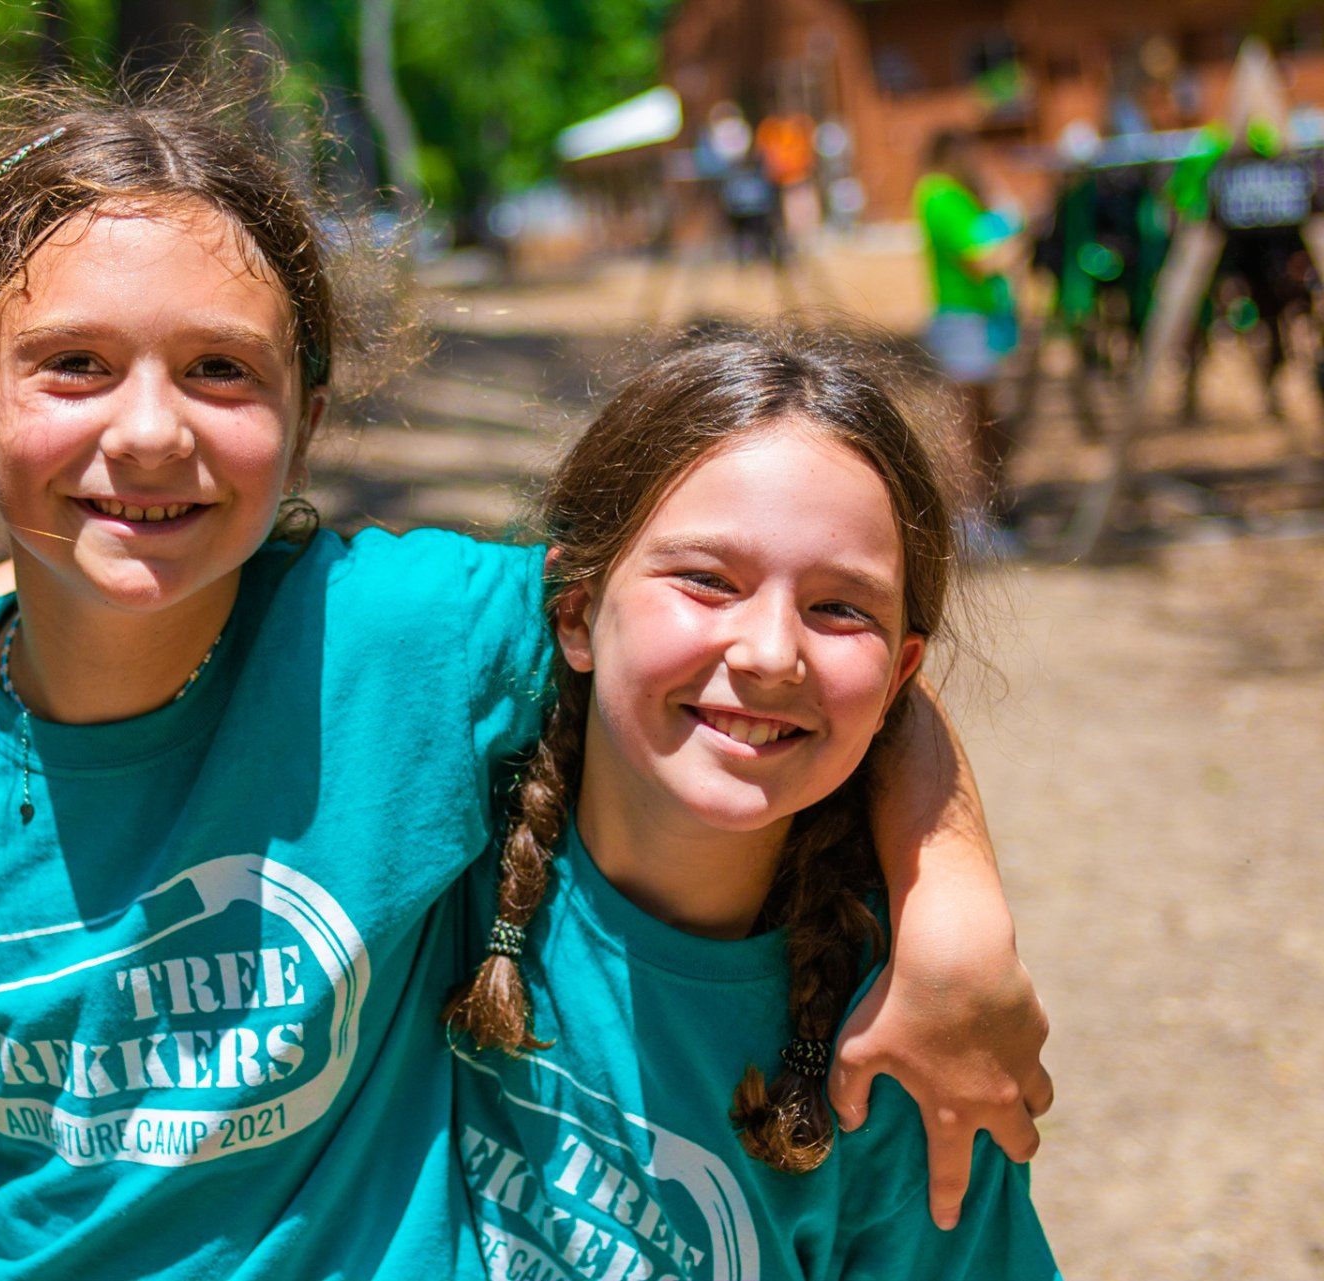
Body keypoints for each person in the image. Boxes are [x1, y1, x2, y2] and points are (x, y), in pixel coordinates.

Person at [0, 61, 1051, 1280]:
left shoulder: (401, 635)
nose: (148, 429)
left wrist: (956, 913)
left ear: (305, 425)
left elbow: (742, 640)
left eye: (219, 369)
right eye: (75, 365)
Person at [446, 323, 1058, 1277]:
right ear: (575, 612)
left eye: (840, 606)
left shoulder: (902, 1049)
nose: (771, 651)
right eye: (706, 580)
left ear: (899, 681)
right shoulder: (432, 857)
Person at [915, 130, 1022, 528]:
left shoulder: (956, 194)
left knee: (986, 422)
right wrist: (1019, 234)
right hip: (963, 321)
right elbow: (984, 259)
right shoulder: (940, 195)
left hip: (980, 320)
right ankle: (967, 519)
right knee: (968, 425)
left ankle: (987, 513)